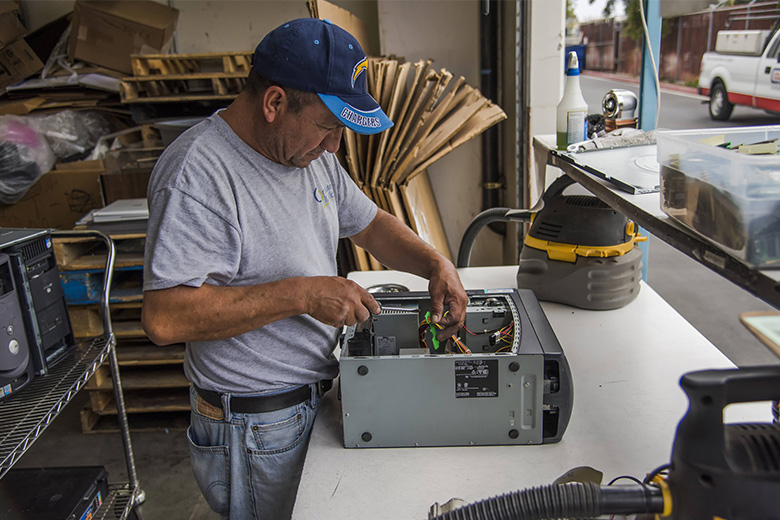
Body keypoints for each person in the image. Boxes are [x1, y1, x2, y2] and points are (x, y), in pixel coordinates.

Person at [142, 17, 467, 520]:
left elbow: (370, 225)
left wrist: (434, 263)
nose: (334, 146)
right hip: (256, 428)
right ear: (274, 103)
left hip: (314, 398)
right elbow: (164, 318)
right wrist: (301, 295)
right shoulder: (199, 173)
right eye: (328, 126)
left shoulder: (309, 156)